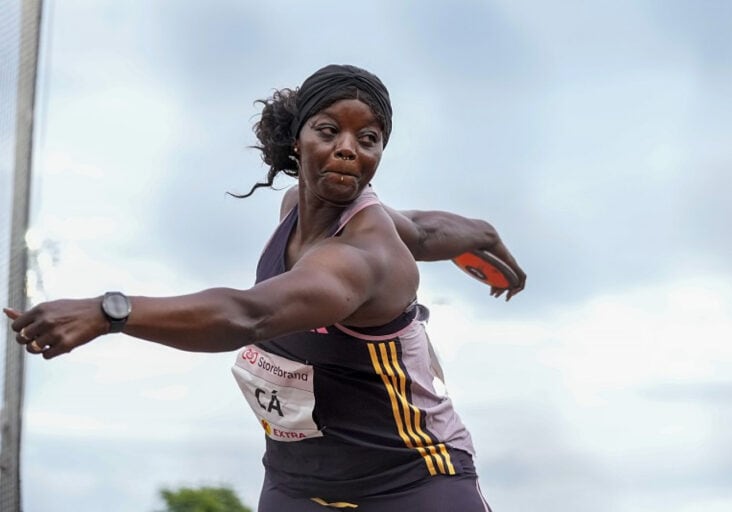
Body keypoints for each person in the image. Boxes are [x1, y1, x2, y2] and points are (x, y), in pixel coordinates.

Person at [4, 64, 525, 511]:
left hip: (411, 480)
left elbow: (246, 315)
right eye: (329, 131)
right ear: (297, 139)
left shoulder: (364, 256)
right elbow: (425, 229)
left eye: (368, 140)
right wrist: (482, 234)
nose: (348, 150)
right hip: (298, 482)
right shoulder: (293, 211)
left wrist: (110, 312)